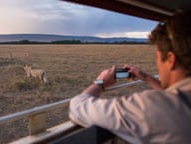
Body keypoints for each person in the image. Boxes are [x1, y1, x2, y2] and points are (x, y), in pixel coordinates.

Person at [69, 11, 191, 144]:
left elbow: (77, 107)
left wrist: (100, 83)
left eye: (157, 58)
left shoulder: (151, 105)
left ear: (170, 59)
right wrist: (146, 77)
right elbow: (178, 97)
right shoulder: (181, 102)